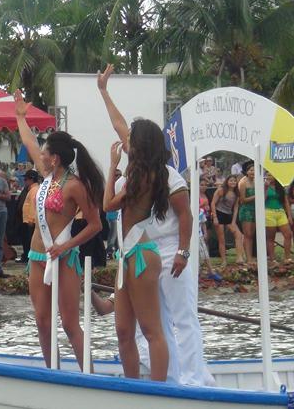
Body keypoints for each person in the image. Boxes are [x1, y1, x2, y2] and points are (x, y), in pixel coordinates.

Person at [98, 64, 213, 386]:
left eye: (132, 140)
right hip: (140, 248)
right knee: (156, 321)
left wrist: (183, 252)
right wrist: (104, 92)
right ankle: (170, 377)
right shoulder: (136, 170)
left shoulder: (169, 176)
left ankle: (194, 378)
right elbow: (120, 125)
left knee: (183, 316)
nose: (126, 141)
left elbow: (187, 216)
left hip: (169, 248)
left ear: (142, 146)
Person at [15, 90, 104, 372]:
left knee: (69, 323)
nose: (39, 155)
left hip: (64, 258)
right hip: (37, 257)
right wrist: (20, 117)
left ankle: (89, 377)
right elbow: (29, 141)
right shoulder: (46, 177)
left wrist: (66, 246)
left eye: (44, 152)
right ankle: (53, 374)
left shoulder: (75, 186)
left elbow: (96, 225)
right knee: (42, 321)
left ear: (54, 158)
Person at [104, 133, 169, 381]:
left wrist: (112, 166)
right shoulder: (141, 173)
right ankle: (132, 386)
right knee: (123, 331)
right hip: (127, 254)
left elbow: (108, 205)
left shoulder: (144, 177)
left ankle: (159, 390)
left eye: (131, 137)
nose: (126, 141)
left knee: (151, 330)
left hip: (141, 254)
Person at [211, 174, 245, 266]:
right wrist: (215, 217)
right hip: (219, 213)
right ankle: (224, 260)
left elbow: (236, 207)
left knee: (238, 235)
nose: (233, 182)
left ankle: (239, 257)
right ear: (227, 181)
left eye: (234, 181)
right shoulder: (221, 190)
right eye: (231, 180)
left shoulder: (236, 193)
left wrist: (233, 221)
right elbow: (213, 203)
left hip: (229, 215)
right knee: (222, 239)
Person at [264, 172, 292, 263]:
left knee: (288, 234)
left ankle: (287, 257)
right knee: (271, 237)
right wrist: (265, 188)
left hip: (280, 211)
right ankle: (273, 259)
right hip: (269, 212)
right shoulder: (265, 187)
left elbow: (286, 202)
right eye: (268, 175)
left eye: (271, 175)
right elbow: (262, 199)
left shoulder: (280, 187)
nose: (270, 177)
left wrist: (289, 215)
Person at [238, 161, 256, 263]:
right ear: (247, 172)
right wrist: (256, 196)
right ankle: (248, 258)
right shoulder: (243, 182)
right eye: (251, 170)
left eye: (254, 170)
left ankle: (250, 257)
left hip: (255, 210)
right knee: (247, 234)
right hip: (246, 211)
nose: (253, 172)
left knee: (251, 235)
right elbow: (242, 200)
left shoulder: (257, 181)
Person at [20, 170, 40, 262]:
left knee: (30, 240)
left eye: (26, 179)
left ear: (31, 180)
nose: (24, 181)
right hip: (28, 220)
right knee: (27, 240)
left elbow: (33, 205)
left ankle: (30, 258)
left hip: (30, 221)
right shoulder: (32, 189)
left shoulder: (34, 190)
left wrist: (31, 220)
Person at [105, 169, 122, 259]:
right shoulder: (111, 187)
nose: (118, 177)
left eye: (120, 175)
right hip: (112, 215)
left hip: (117, 215)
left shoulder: (119, 186)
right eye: (116, 175)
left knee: (117, 236)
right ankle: (109, 252)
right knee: (113, 235)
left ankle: (116, 253)